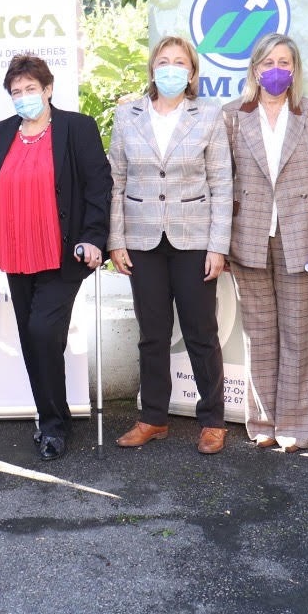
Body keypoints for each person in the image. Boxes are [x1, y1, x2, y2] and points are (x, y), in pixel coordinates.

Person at [107, 35, 232, 455]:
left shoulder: (210, 116)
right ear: (152, 68)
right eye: (164, 61)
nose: (171, 68)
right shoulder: (127, 116)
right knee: (152, 333)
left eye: (180, 62)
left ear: (192, 73)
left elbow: (221, 183)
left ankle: (213, 420)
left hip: (194, 238)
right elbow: (116, 181)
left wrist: (218, 246)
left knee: (201, 331)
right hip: (142, 239)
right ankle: (153, 418)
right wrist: (115, 240)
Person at [0, 53, 111, 462]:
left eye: (30, 89)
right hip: (15, 247)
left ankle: (56, 425)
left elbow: (98, 186)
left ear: (48, 89)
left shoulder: (77, 128)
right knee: (31, 339)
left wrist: (94, 237)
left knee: (43, 332)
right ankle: (49, 417)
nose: (23, 97)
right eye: (16, 91)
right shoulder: (3, 131)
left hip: (62, 251)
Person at [223, 34, 308, 453]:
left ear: (295, 69)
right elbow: (221, 183)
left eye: (285, 61)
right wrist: (219, 244)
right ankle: (263, 420)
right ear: (255, 68)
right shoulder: (232, 115)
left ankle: (294, 424)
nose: (277, 68)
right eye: (269, 61)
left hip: (302, 238)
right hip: (248, 238)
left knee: (295, 333)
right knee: (259, 335)